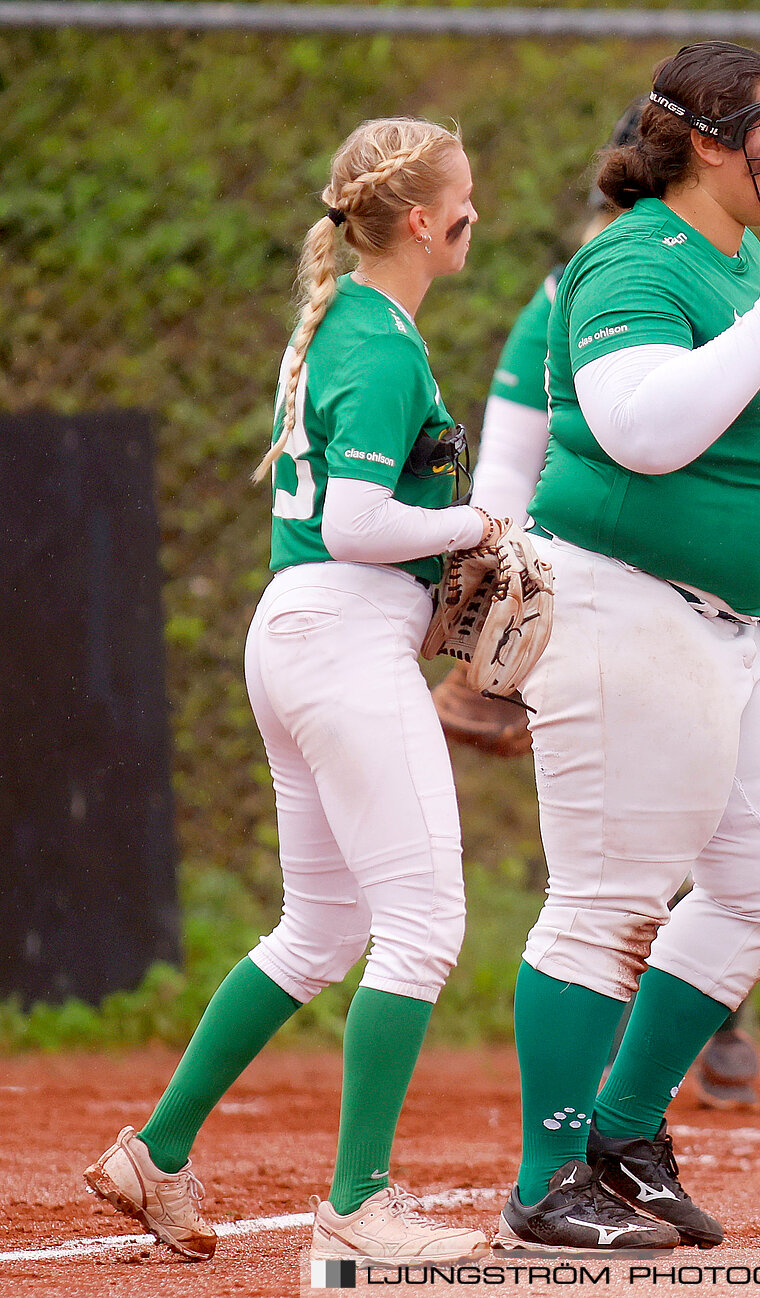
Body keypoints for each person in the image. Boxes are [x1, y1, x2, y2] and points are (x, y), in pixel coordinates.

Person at [82, 118, 493, 1265]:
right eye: (462, 197)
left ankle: (154, 1151)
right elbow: (361, 524)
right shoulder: (375, 342)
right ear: (418, 219)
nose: (475, 213)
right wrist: (479, 524)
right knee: (423, 924)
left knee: (320, 927)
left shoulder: (352, 325)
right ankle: (360, 1201)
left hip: (307, 636)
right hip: (342, 639)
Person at [491, 42, 760, 1255]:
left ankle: (621, 1131)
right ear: (697, 139)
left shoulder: (735, 261)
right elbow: (637, 432)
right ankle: (545, 1178)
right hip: (622, 604)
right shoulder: (631, 255)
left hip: (727, 625)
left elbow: (746, 435)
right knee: (604, 902)